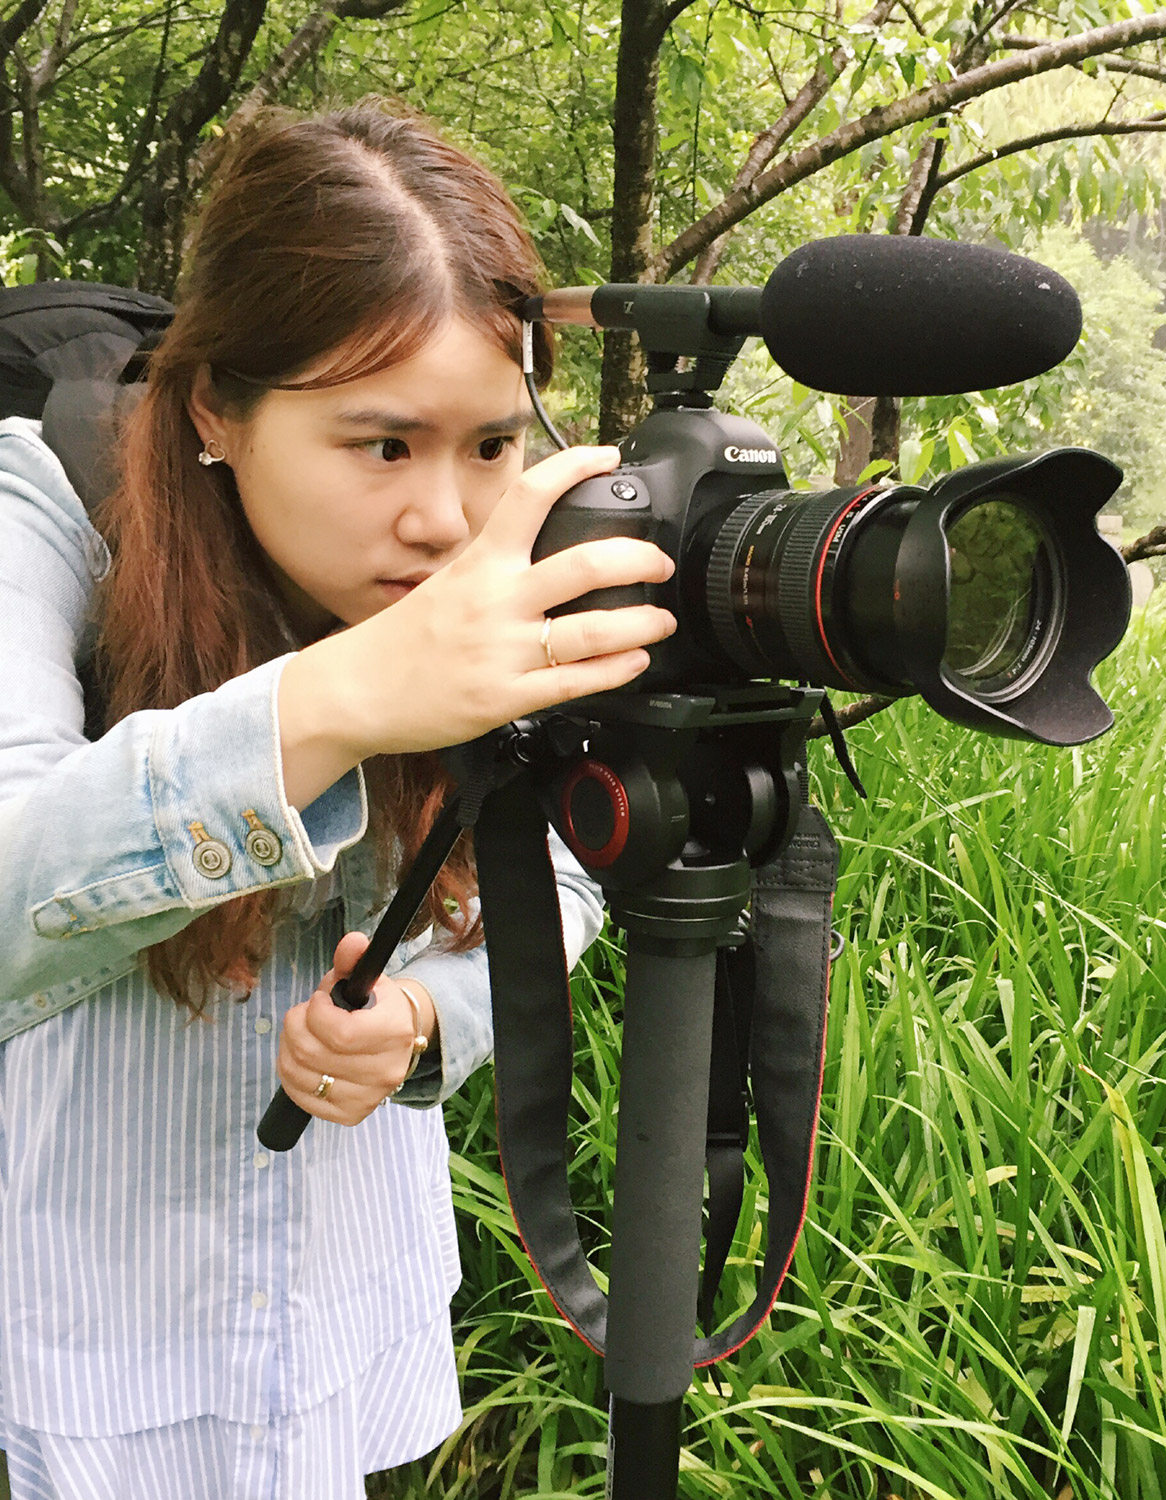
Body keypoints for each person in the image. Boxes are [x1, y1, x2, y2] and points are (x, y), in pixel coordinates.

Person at [0, 101, 676, 1499]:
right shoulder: (42, 509)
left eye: (490, 444)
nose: (443, 515)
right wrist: (343, 703)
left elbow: (566, 859)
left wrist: (431, 1013)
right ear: (213, 410)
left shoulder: (495, 568)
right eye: (382, 445)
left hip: (329, 1324)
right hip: (76, 1340)